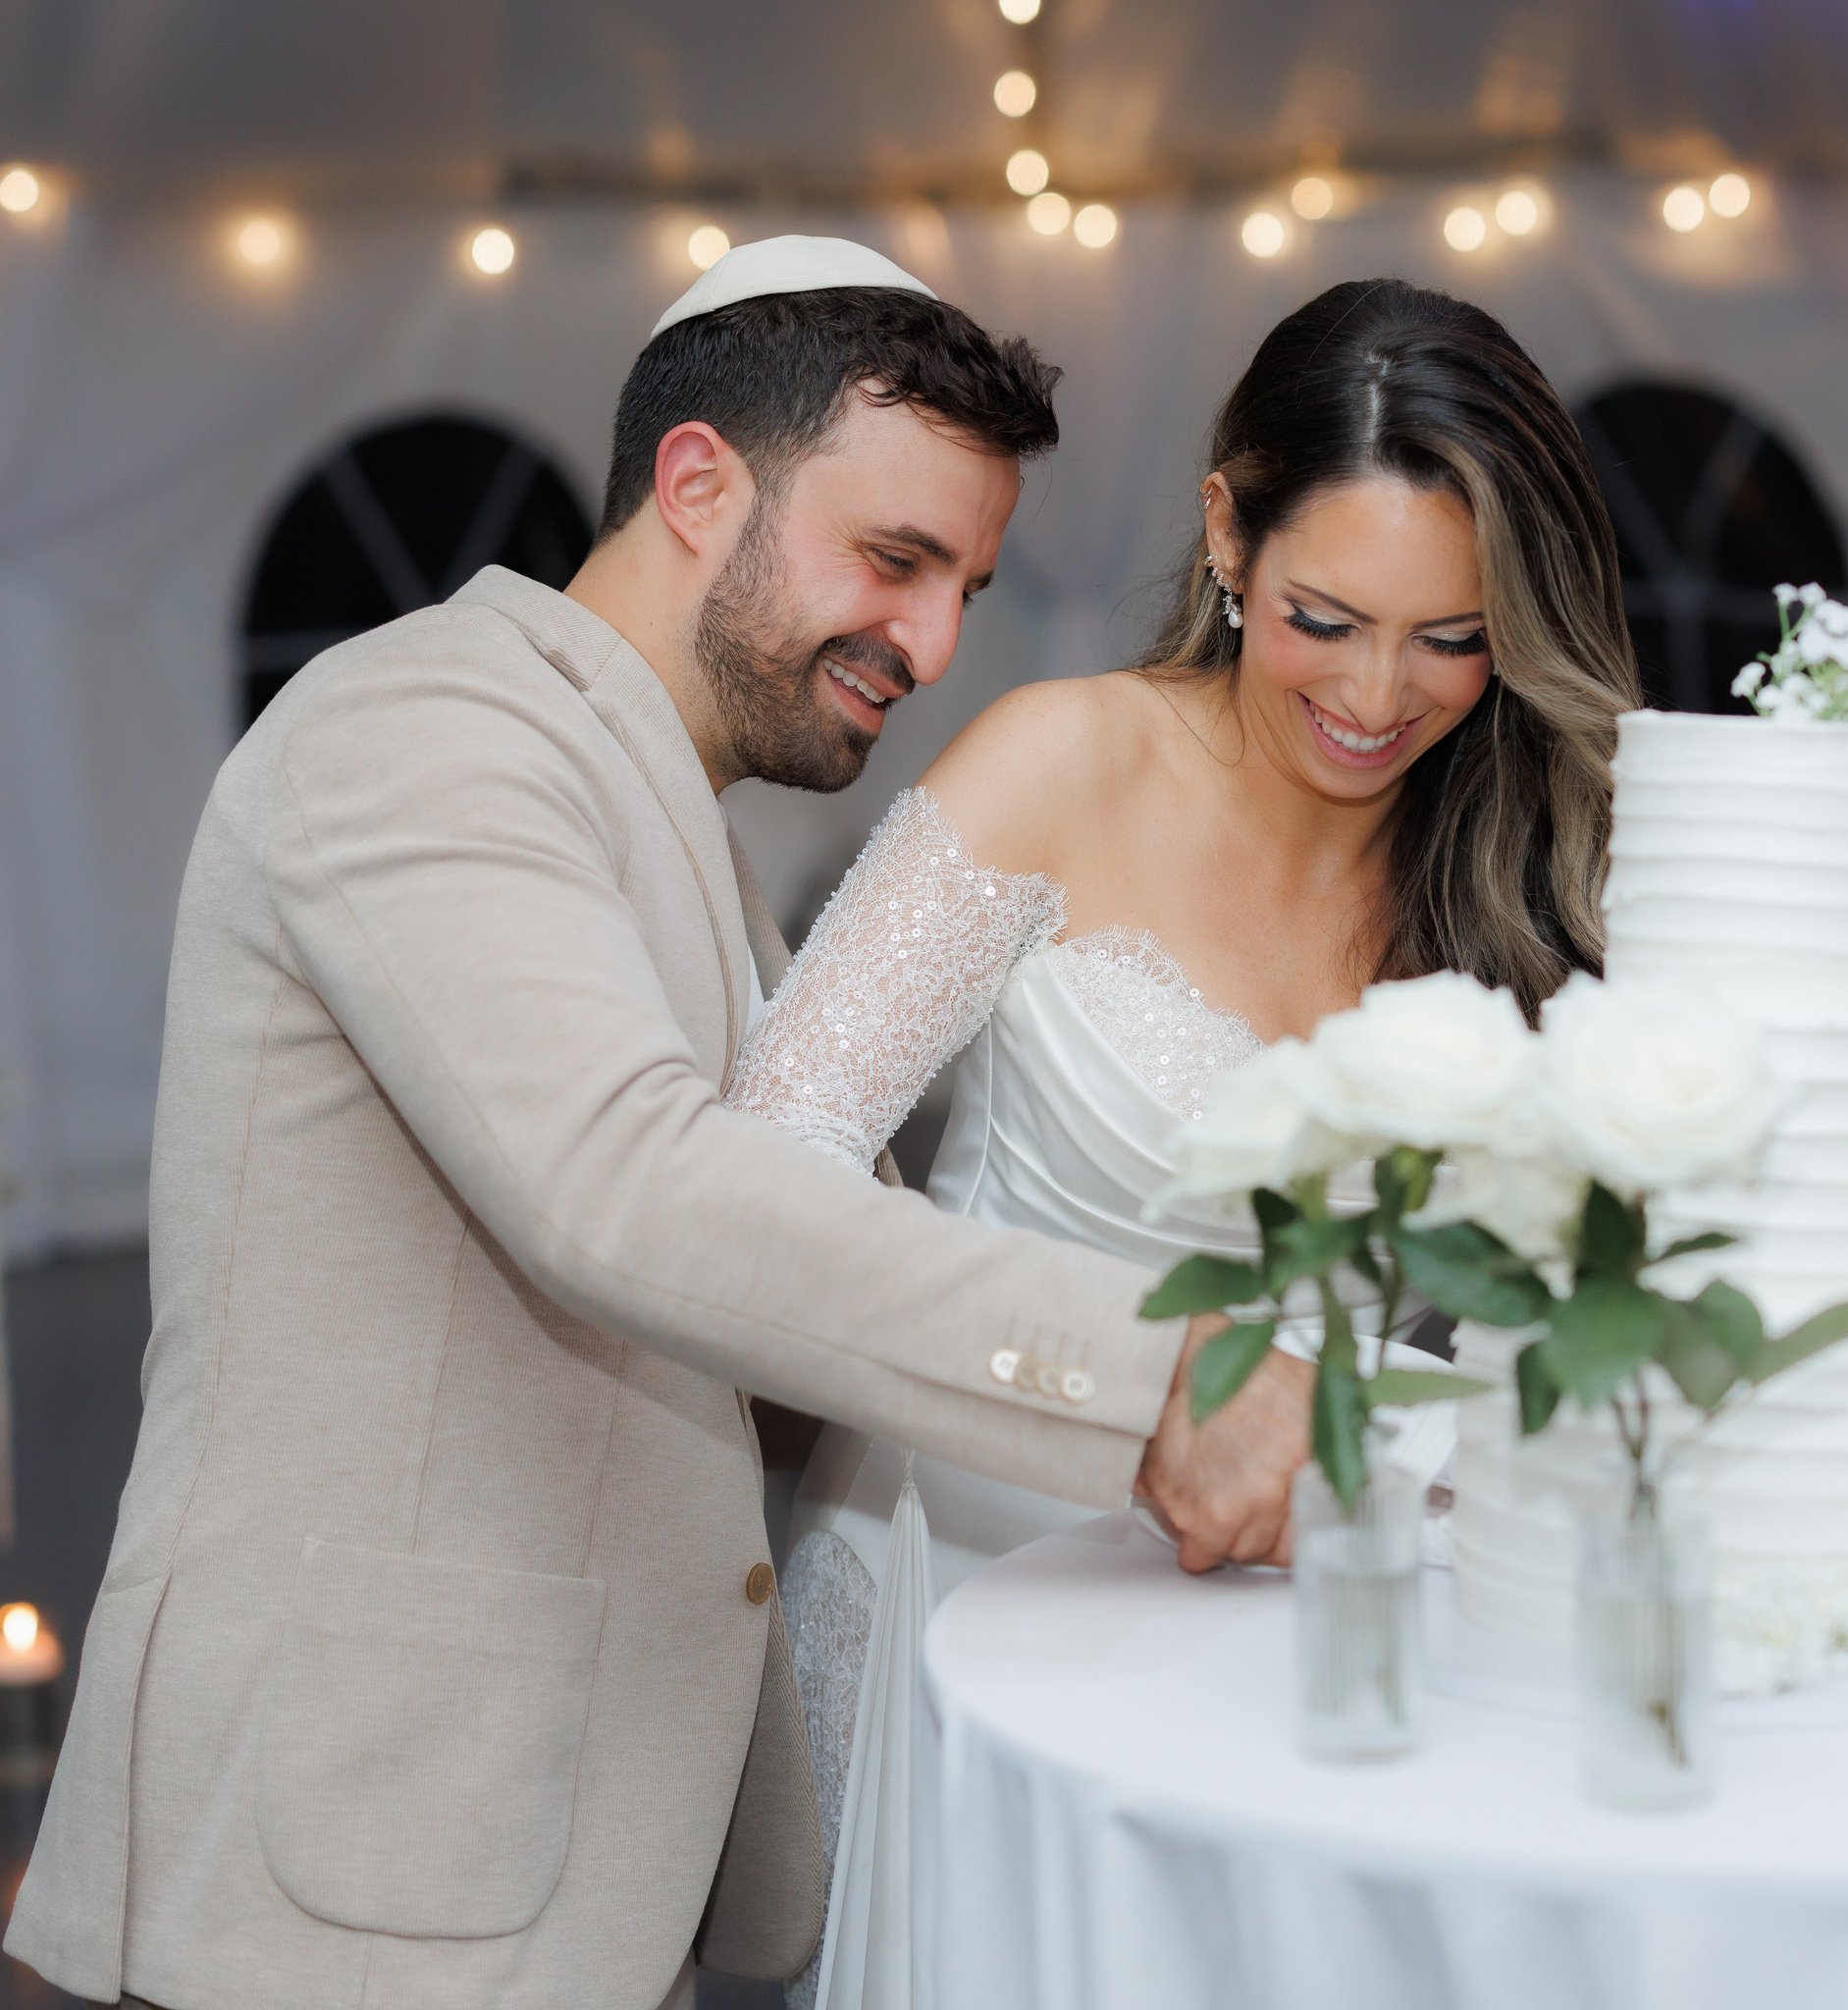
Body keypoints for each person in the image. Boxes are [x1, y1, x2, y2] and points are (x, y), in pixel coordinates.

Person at [1, 238, 1309, 2010]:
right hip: (345, 1875)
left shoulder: (670, 814)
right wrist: (1166, 1376)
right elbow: (631, 1195)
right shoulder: (425, 725)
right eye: (895, 559)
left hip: (550, 1855)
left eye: (967, 590)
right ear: (700, 485)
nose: (930, 645)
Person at [731, 276, 1641, 2009]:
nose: (1382, 694)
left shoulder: (1511, 867)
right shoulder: (1058, 765)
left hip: (1329, 1611)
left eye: (1452, 638)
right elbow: (763, 1183)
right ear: (1228, 530)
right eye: (1329, 615)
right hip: (974, 1592)